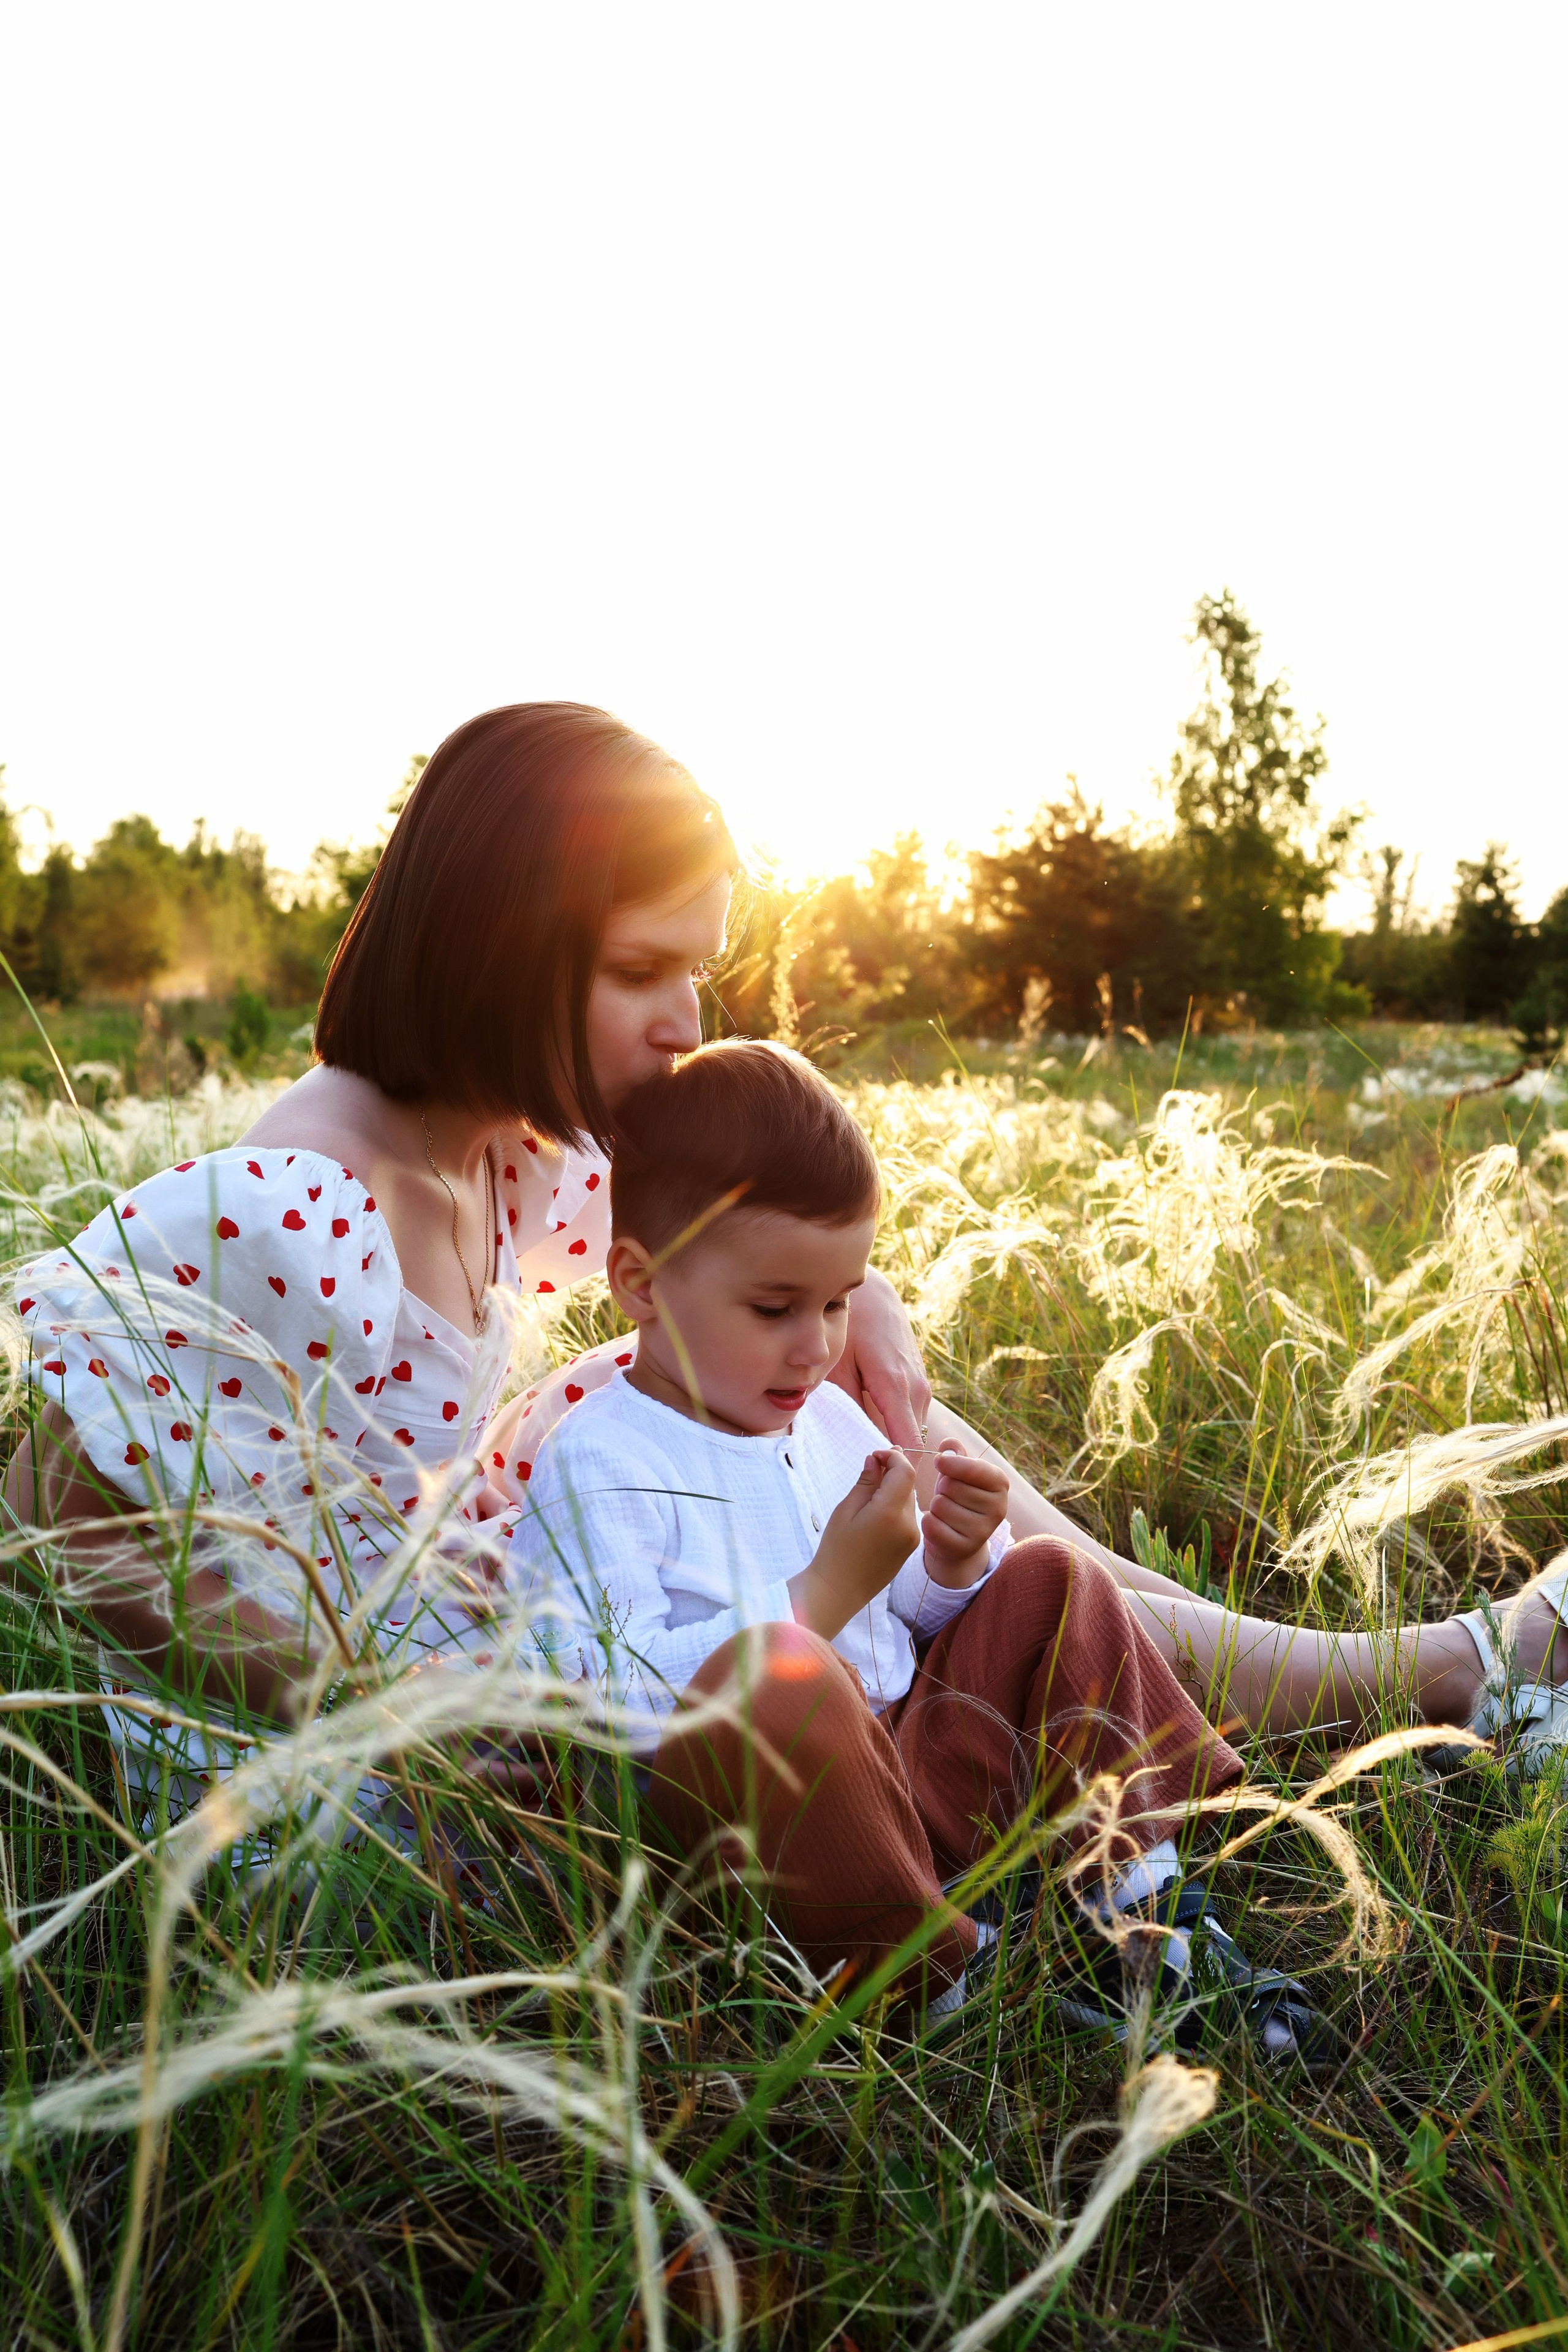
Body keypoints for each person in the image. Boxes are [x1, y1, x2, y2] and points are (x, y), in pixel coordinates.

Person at [4, 703, 1565, 1825]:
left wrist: (863, 1303)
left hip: (535, 1628)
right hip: (465, 1719)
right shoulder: (307, 1192)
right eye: (640, 973)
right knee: (829, 1444)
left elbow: (744, 1206)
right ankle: (1399, 1678)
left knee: (849, 1407)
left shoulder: (512, 1139)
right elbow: (48, 1504)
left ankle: (1372, 1668)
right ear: (496, 945)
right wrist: (355, 1701)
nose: (686, 1019)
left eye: (697, 968)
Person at [513, 1036, 1336, 2050]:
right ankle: (950, 1977)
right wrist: (812, 1600)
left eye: (835, 1302)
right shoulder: (598, 1461)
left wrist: (947, 1563)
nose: (815, 1345)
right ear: (639, 1283)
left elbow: (907, 1613)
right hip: (770, 1839)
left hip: (916, 1763)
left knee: (1051, 1578)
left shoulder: (816, 1417)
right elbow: (587, 1693)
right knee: (780, 1677)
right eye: (774, 1308)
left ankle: (1136, 1903)